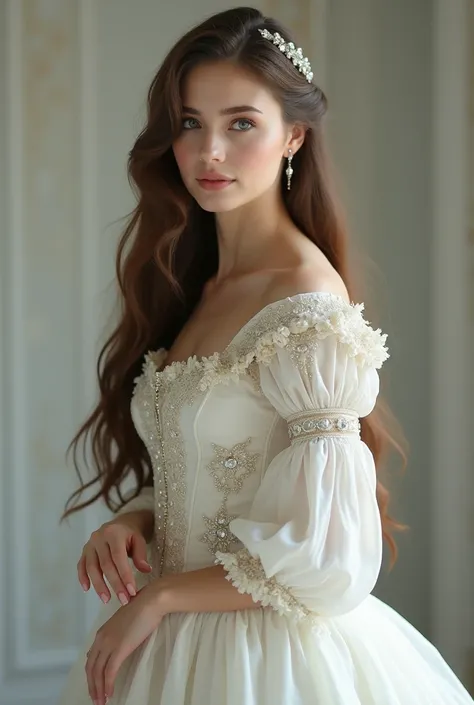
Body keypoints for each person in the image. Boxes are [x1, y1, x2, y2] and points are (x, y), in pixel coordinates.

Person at [58, 6, 474, 705]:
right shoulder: (199, 285)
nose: (208, 150)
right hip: (168, 649)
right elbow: (215, 469)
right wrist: (136, 520)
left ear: (294, 136)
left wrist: (158, 601)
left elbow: (327, 557)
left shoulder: (306, 298)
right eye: (190, 122)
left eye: (240, 123)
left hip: (266, 659)